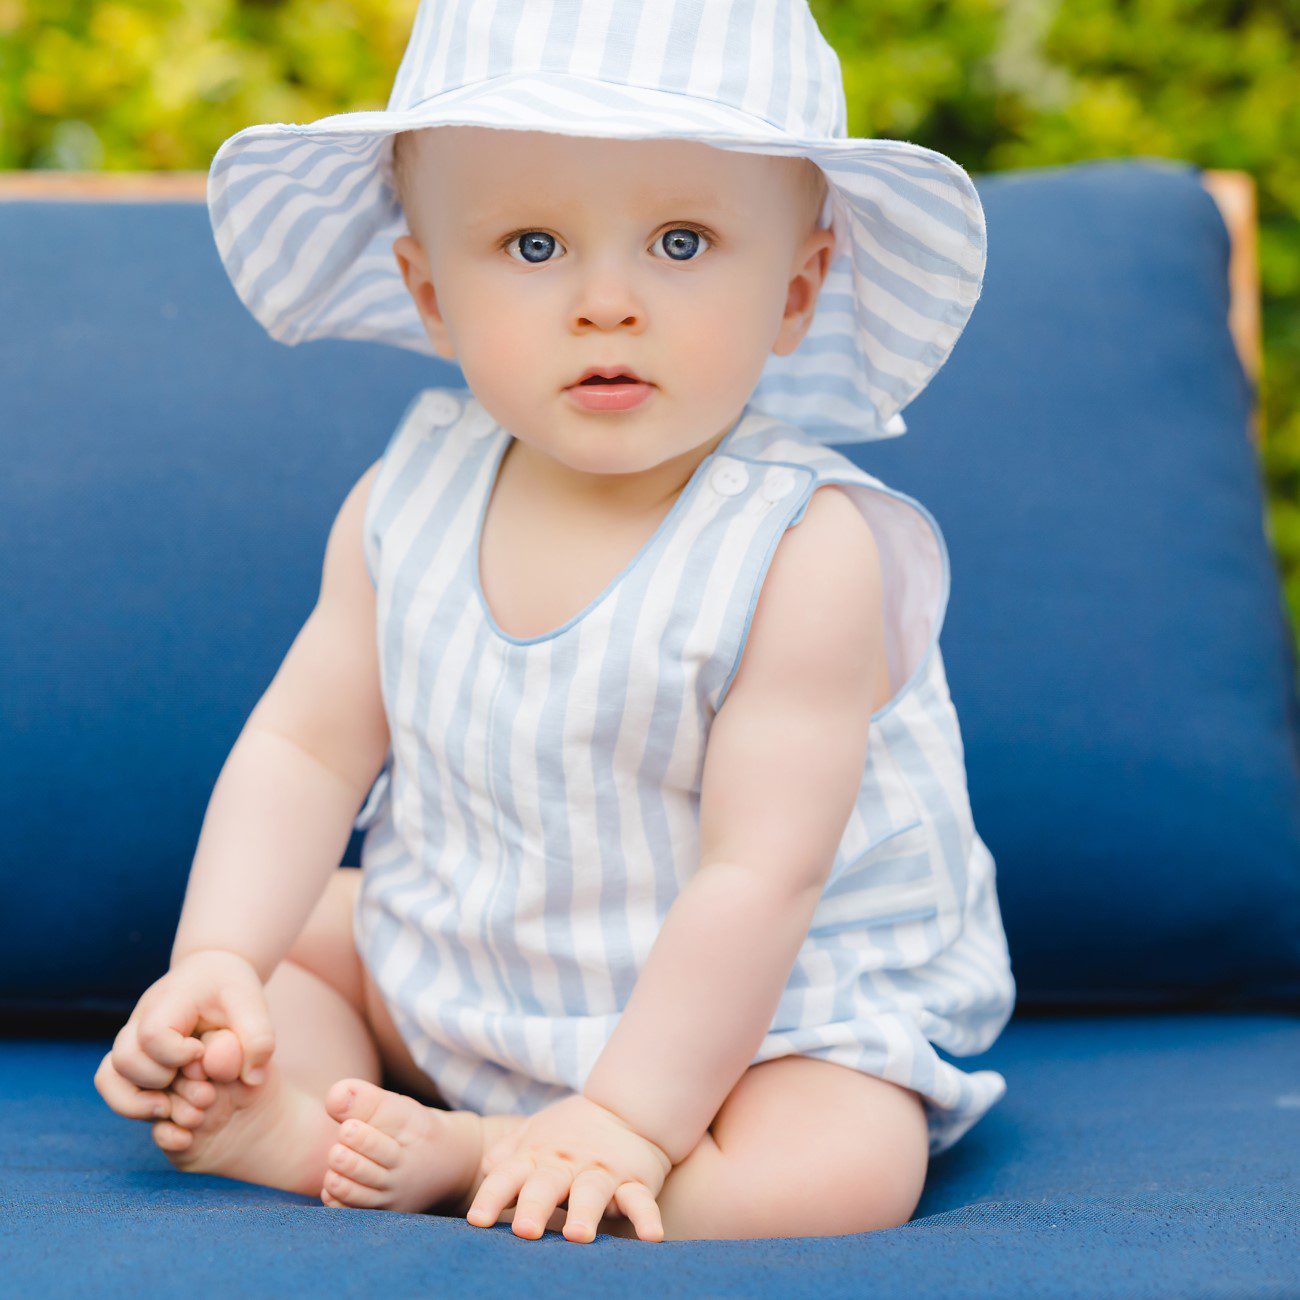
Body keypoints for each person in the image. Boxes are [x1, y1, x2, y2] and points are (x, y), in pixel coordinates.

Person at [94, 0, 1016, 1244]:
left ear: (796, 292)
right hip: (467, 960)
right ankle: (303, 1120)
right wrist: (213, 954)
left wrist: (628, 1113)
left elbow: (761, 873)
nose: (605, 301)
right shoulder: (402, 500)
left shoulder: (804, 548)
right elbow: (305, 748)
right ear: (429, 291)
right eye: (531, 245)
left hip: (751, 1021)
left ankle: (489, 1155)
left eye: (682, 242)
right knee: (295, 938)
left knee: (844, 1166)